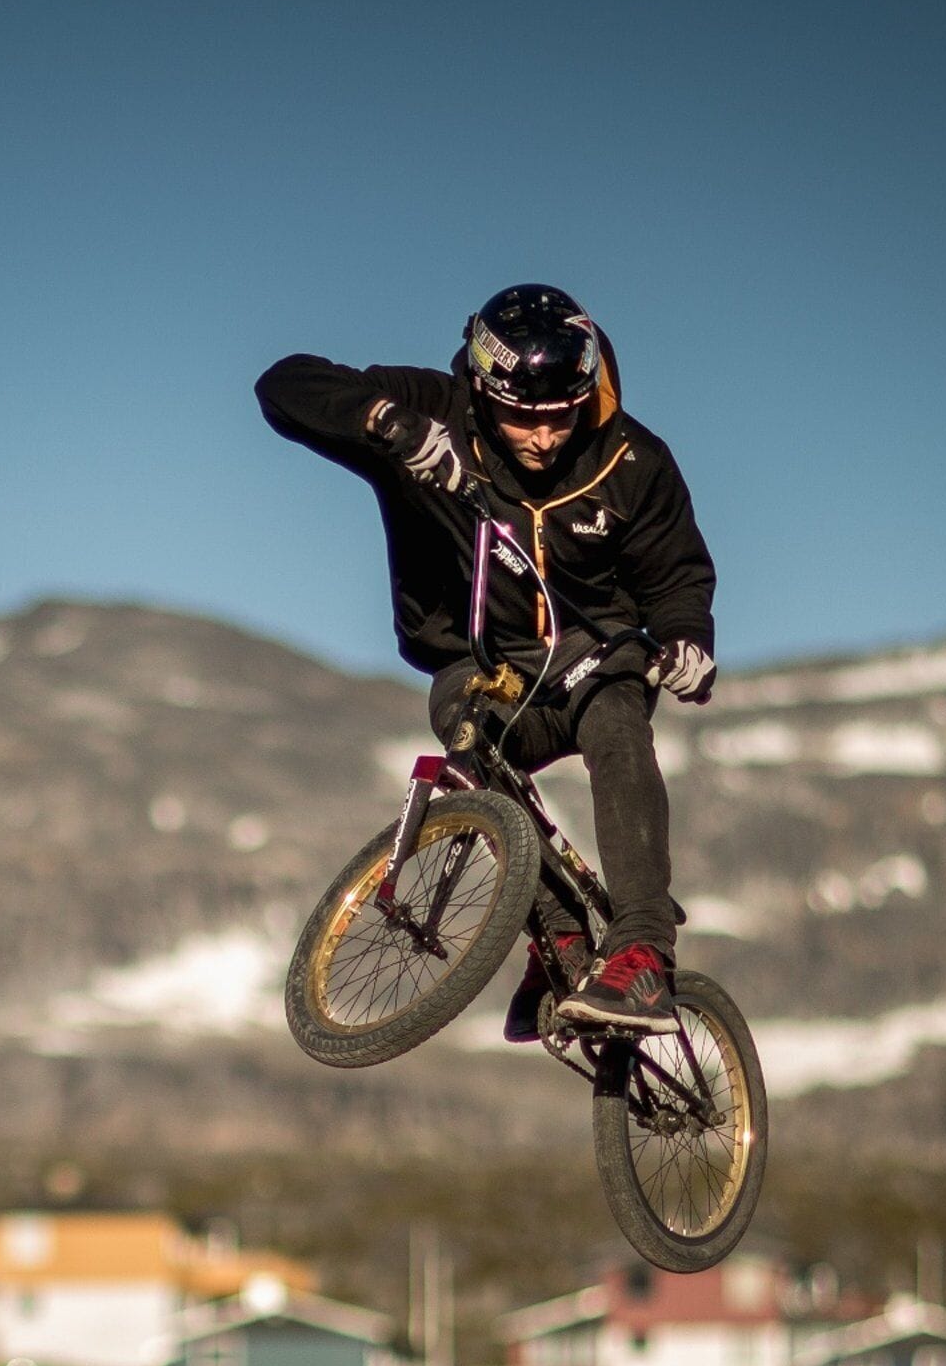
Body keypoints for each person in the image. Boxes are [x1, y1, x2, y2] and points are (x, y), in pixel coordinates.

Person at [257, 284, 718, 1035]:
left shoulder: (636, 462)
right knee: (469, 743)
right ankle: (562, 941)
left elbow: (675, 578)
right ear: (480, 384)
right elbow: (282, 385)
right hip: (482, 666)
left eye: (561, 418)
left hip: (588, 658)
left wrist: (689, 639)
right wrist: (386, 424)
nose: (543, 438)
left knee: (617, 707)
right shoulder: (430, 413)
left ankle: (643, 953)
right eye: (521, 419)